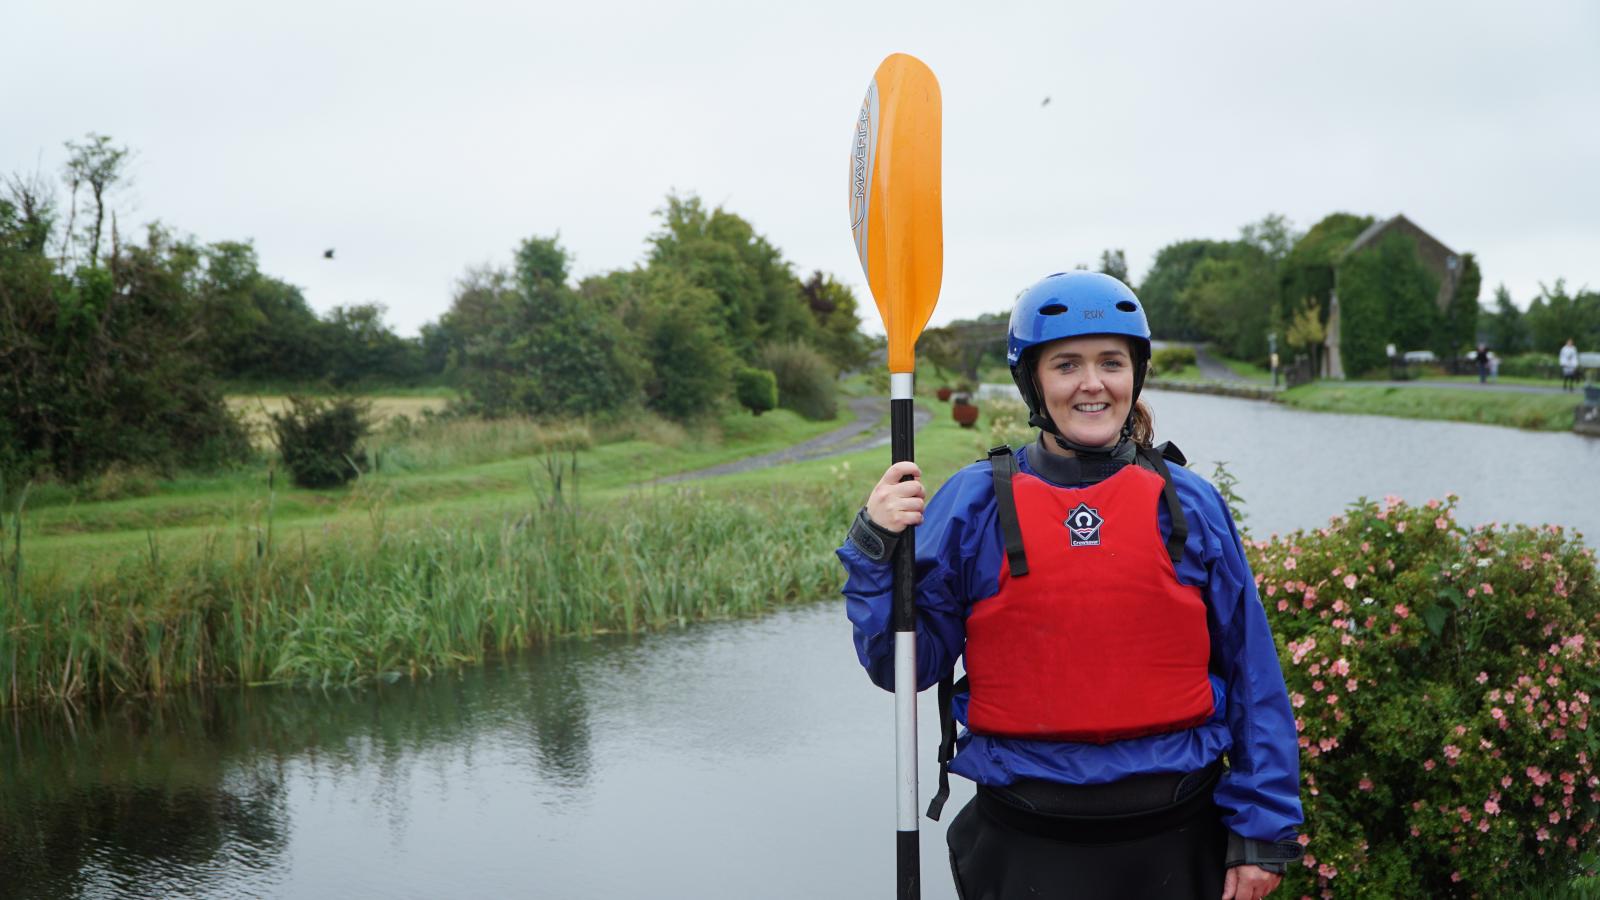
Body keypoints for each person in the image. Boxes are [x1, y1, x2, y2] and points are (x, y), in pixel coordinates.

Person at [838, 272, 1303, 900]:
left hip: (1175, 837)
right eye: (1067, 365)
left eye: (1111, 362)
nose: (1092, 384)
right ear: (1033, 380)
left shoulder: (1188, 502)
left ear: (1134, 375)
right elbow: (903, 669)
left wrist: (1261, 833)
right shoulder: (973, 503)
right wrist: (875, 548)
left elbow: (1253, 675)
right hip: (1026, 842)